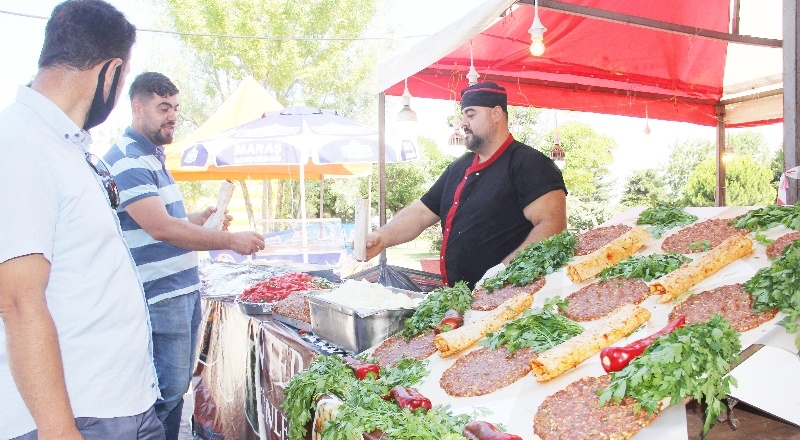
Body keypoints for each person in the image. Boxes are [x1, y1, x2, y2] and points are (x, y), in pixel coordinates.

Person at [0, 1, 166, 440]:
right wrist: (58, 429)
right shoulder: (20, 143)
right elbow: (17, 302)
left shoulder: (66, 146)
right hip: (79, 416)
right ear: (110, 71)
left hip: (121, 403)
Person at [103, 71, 266, 440]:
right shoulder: (127, 158)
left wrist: (201, 219)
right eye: (163, 107)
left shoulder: (152, 156)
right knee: (164, 396)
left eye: (175, 107)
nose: (172, 116)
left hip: (182, 290)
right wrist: (228, 240)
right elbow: (162, 228)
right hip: (161, 297)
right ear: (137, 106)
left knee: (175, 393)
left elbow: (167, 223)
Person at [365, 82, 567, 289]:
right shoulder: (458, 167)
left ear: (496, 114)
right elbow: (421, 213)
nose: (463, 123)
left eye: (471, 115)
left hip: (510, 299)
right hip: (459, 301)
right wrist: (382, 237)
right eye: (463, 116)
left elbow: (552, 226)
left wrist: (501, 278)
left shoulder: (529, 163)